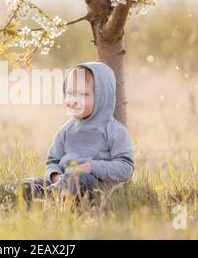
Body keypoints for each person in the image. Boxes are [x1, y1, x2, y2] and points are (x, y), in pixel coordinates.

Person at [23, 62, 134, 204]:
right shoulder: (66, 130)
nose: (74, 100)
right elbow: (53, 161)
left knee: (78, 176)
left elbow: (126, 168)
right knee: (29, 182)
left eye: (83, 94)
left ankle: (51, 197)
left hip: (95, 187)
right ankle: (51, 194)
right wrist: (56, 177)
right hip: (64, 180)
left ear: (102, 97)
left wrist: (90, 166)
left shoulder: (115, 132)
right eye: (70, 93)